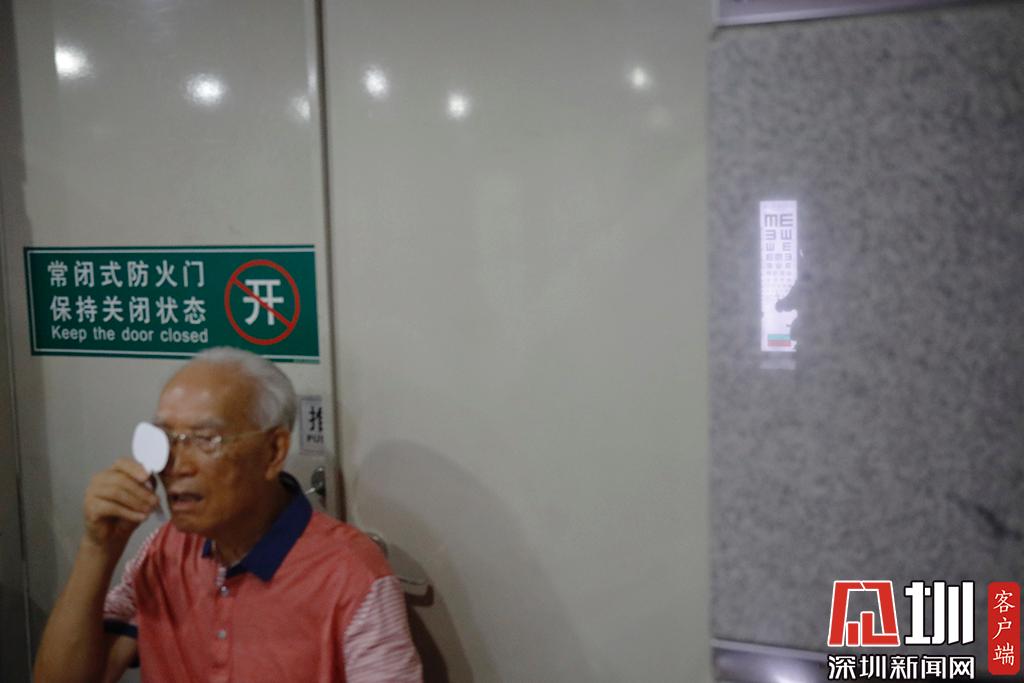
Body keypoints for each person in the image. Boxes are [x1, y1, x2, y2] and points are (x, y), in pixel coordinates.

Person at [34, 347, 422, 683]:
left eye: (206, 440)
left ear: (273, 451)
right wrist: (99, 548)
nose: (176, 465)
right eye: (165, 440)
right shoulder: (165, 550)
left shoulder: (350, 574)